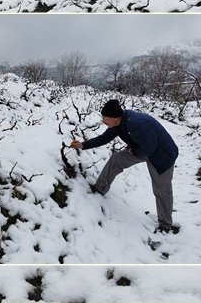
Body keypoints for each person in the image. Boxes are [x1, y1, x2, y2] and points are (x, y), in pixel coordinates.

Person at [70, 99, 180, 234]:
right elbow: (104, 138)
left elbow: (150, 148)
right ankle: (100, 188)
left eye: (105, 118)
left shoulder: (138, 123)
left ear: (115, 118)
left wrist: (135, 151)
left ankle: (165, 225)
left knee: (162, 190)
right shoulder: (118, 124)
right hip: (143, 148)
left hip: (162, 154)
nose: (103, 120)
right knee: (117, 159)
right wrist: (83, 145)